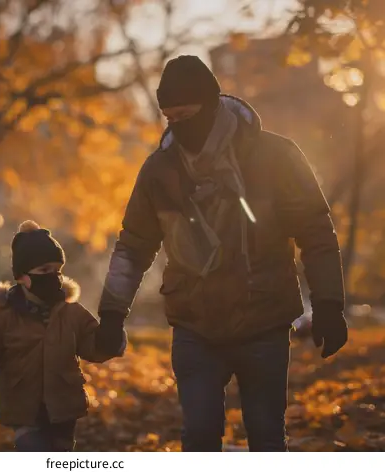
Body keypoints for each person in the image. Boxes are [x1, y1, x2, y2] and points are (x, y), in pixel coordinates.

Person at [94, 55, 348, 452]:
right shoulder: (159, 171)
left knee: (265, 436)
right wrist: (111, 314)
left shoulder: (276, 157)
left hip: (264, 320)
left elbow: (315, 231)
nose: (179, 126)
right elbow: (132, 246)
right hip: (194, 325)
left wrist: (329, 304)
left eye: (187, 114)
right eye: (170, 118)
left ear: (212, 105)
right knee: (198, 437)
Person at [0, 220, 125, 452]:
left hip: (63, 408)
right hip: (23, 409)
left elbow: (93, 346)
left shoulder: (71, 313)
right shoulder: (3, 318)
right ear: (21, 277)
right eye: (43, 271)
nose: (52, 277)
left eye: (56, 270)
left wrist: (111, 338)